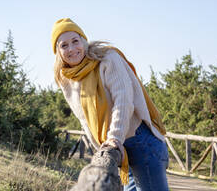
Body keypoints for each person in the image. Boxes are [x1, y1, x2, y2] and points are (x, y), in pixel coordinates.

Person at [51, 18, 169, 191]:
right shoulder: (67, 80)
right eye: (64, 45)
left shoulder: (108, 59)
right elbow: (85, 120)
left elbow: (124, 101)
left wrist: (113, 138)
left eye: (75, 41)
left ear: (83, 41)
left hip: (140, 143)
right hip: (120, 154)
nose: (71, 49)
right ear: (58, 52)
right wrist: (103, 153)